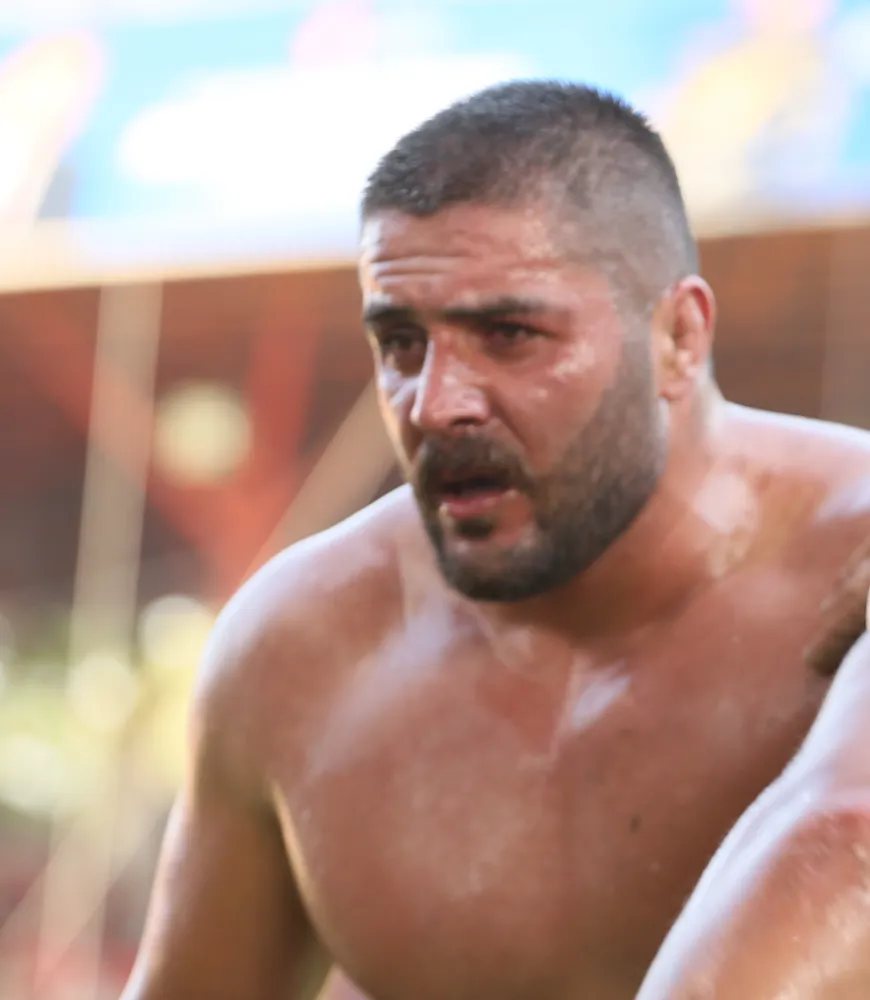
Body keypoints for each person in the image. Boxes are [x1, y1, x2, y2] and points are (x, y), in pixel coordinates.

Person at [121, 81, 870, 1000]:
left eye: (511, 334)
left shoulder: (854, 551)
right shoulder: (299, 649)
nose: (435, 404)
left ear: (679, 335)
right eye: (401, 343)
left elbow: (846, 841)